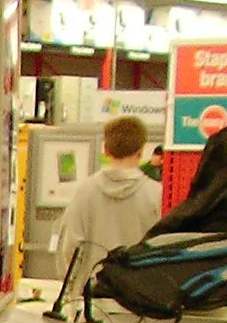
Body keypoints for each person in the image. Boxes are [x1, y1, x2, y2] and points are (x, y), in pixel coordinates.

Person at [57, 114, 162, 299]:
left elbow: (70, 249)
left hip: (92, 301)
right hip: (140, 304)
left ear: (105, 149)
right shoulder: (156, 195)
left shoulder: (83, 192)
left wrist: (73, 291)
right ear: (141, 151)